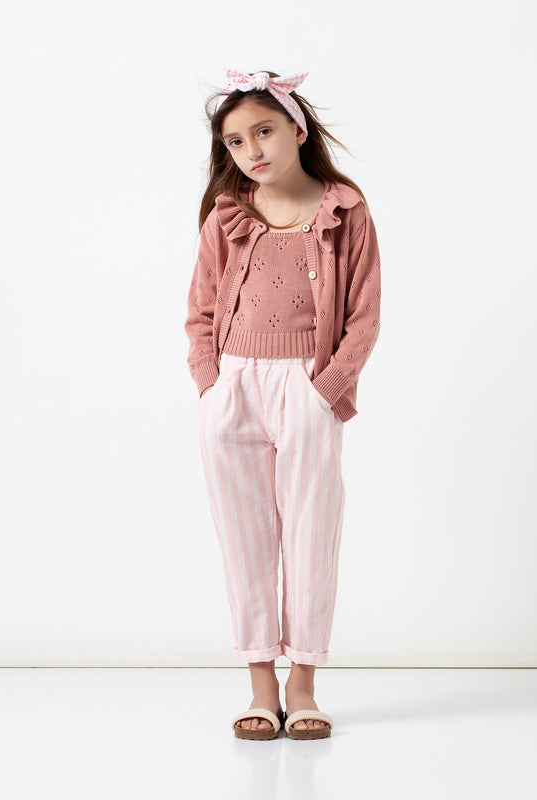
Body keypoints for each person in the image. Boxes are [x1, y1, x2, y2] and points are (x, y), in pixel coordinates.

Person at [184, 66, 382, 740]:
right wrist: (211, 383)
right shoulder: (228, 214)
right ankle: (260, 685)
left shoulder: (345, 210)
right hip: (234, 386)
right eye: (235, 142)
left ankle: (303, 685)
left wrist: (326, 389)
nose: (252, 151)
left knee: (310, 533)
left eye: (263, 131)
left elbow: (364, 316)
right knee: (244, 538)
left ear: (297, 129)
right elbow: (200, 308)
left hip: (308, 384)